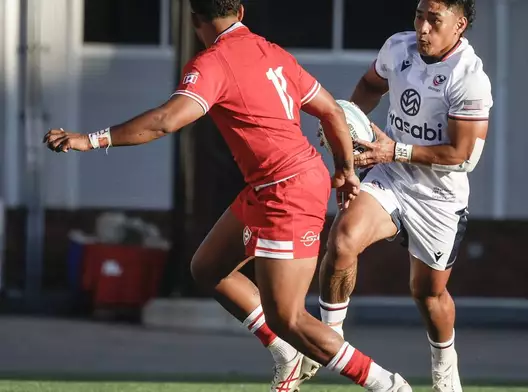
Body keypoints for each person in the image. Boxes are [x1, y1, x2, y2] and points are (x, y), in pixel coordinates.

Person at [43, 1, 412, 392]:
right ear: (239, 10)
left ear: (194, 20)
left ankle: (388, 385)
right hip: (272, 185)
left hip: (288, 191)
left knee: (288, 318)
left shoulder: (212, 63)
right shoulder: (271, 51)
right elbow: (333, 112)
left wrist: (90, 139)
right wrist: (344, 170)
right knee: (207, 268)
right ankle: (286, 355)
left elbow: (167, 120)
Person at [315, 1, 492, 391]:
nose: (423, 28)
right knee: (343, 238)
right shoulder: (398, 48)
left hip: (439, 198)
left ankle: (445, 367)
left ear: (459, 25)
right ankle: (330, 342)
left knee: (428, 294)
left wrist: (394, 149)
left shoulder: (469, 77)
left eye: (435, 20)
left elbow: (464, 157)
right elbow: (368, 87)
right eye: (419, 16)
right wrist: (345, 133)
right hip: (390, 175)